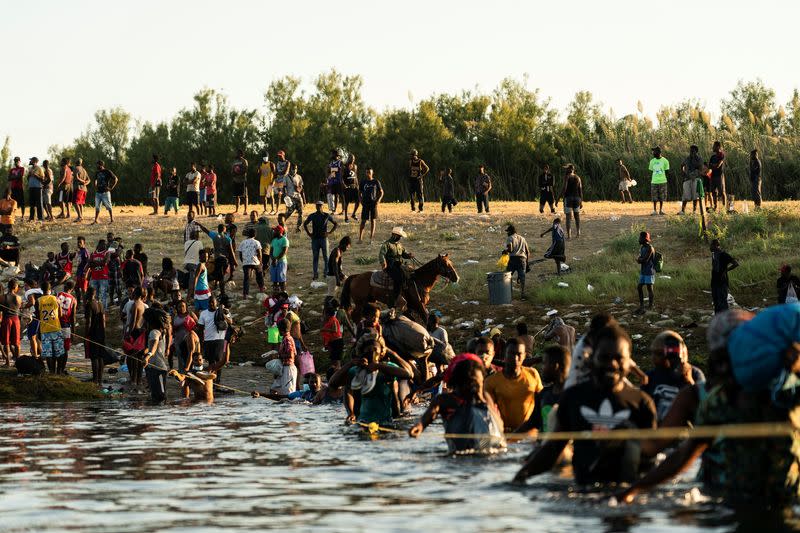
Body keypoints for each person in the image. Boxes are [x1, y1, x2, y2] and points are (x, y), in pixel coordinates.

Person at [617, 306, 800, 508]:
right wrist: (634, 489)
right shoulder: (716, 400)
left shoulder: (787, 392)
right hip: (731, 500)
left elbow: (679, 454)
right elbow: (682, 455)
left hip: (770, 500)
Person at [513, 324, 657, 485]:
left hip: (626, 496)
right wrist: (520, 477)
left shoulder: (642, 402)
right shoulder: (574, 397)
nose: (612, 364)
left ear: (629, 361)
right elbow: (553, 448)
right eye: (604, 358)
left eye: (619, 358)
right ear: (591, 359)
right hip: (583, 493)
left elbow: (650, 457)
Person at [409, 354, 506, 453]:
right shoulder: (445, 400)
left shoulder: (486, 399)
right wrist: (419, 427)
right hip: (458, 455)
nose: (472, 386)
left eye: (477, 383)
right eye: (468, 382)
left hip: (488, 454)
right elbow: (428, 416)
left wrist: (481, 398)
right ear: (457, 381)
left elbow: (500, 425)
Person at [330, 333, 414, 425]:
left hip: (386, 421)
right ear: (363, 353)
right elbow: (333, 383)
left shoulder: (388, 369)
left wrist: (390, 355)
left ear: (381, 352)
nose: (372, 353)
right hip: (363, 421)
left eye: (375, 349)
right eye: (368, 350)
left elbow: (408, 374)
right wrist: (350, 363)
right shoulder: (356, 371)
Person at [641, 330, 705, 422]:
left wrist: (689, 381)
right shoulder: (650, 376)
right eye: (653, 353)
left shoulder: (694, 373)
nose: (653, 358)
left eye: (659, 354)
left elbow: (703, 406)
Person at [484, 339, 543, 430]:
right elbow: (489, 410)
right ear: (505, 354)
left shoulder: (533, 374)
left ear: (524, 356)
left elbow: (541, 402)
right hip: (505, 435)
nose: (515, 358)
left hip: (530, 435)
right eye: (511, 353)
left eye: (519, 354)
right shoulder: (492, 381)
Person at [518, 345, 571, 433]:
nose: (542, 368)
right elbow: (532, 422)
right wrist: (508, 438)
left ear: (555, 366)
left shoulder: (573, 396)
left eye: (544, 363)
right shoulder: (544, 394)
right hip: (542, 445)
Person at [378, 227, 413, 309]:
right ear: (394, 235)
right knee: (399, 278)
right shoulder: (386, 244)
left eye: (400, 236)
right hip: (390, 266)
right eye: (399, 236)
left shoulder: (399, 245)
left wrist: (409, 255)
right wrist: (384, 263)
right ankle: (394, 299)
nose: (400, 238)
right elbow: (381, 254)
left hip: (399, 265)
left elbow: (404, 254)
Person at [197, 223, 236, 296]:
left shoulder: (214, 235)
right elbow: (231, 252)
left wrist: (199, 224)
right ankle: (221, 291)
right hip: (225, 260)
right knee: (221, 275)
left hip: (218, 259)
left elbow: (205, 230)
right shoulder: (228, 238)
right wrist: (234, 262)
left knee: (220, 276)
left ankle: (222, 292)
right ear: (224, 230)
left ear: (218, 230)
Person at [303, 201, 338, 281]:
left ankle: (326, 273)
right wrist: (309, 234)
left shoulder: (326, 215)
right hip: (315, 239)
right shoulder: (312, 215)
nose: (318, 207)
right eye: (317, 206)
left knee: (326, 257)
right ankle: (315, 274)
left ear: (323, 206)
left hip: (323, 239)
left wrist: (329, 232)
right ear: (315, 206)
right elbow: (305, 224)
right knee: (315, 257)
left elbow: (335, 224)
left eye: (320, 206)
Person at [142, 307, 169, 403]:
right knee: (155, 395)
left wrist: (148, 355)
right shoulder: (159, 331)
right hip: (152, 368)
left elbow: (154, 345)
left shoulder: (154, 332)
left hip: (158, 369)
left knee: (161, 396)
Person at [36, 281, 64, 374]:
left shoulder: (38, 301)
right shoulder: (55, 299)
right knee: (58, 352)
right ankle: (59, 372)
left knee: (48, 354)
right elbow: (60, 314)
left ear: (42, 290)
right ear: (50, 289)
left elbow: (38, 317)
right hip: (56, 328)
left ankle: (51, 372)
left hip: (45, 330)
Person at [83, 286, 107, 384]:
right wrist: (103, 332)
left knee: (94, 357)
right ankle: (100, 379)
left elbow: (88, 321)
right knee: (100, 356)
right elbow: (104, 320)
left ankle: (95, 379)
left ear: (88, 293)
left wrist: (85, 335)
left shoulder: (89, 304)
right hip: (101, 333)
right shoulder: (100, 304)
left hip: (93, 334)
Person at [710, 238, 738, 314]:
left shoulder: (723, 254)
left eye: (711, 245)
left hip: (722, 282)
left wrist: (726, 270)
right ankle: (718, 319)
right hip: (715, 282)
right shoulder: (714, 254)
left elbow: (735, 263)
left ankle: (724, 320)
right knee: (716, 302)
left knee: (722, 302)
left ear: (716, 246)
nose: (710, 247)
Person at [504, 224, 529, 299]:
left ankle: (508, 293)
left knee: (507, 276)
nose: (507, 233)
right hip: (522, 259)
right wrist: (527, 263)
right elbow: (528, 252)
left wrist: (505, 251)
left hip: (513, 259)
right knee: (522, 277)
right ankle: (523, 294)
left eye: (507, 231)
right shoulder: (522, 238)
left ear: (511, 231)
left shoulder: (510, 238)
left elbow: (510, 249)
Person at [358, 167, 383, 243]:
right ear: (365, 173)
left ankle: (371, 238)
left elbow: (381, 192)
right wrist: (360, 200)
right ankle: (360, 239)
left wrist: (378, 200)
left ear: (372, 173)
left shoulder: (376, 182)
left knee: (373, 220)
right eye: (367, 172)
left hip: (373, 203)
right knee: (363, 221)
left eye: (369, 172)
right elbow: (359, 193)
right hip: (365, 203)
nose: (368, 173)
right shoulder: (363, 182)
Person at [1, 279, 22, 366]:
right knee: (16, 342)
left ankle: (8, 362)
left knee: (6, 342)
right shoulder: (18, 298)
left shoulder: (2, 297)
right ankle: (17, 362)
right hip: (15, 320)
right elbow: (19, 307)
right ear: (15, 287)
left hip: (6, 319)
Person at [238, 227, 264, 298]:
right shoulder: (257, 242)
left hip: (246, 262)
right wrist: (260, 261)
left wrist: (243, 261)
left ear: (248, 234)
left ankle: (245, 294)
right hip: (255, 262)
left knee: (246, 278)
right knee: (259, 275)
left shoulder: (243, 242)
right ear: (255, 235)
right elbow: (259, 253)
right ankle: (261, 288)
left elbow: (240, 253)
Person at [635, 231, 656, 315]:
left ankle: (650, 305)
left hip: (649, 271)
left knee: (649, 289)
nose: (639, 239)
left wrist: (639, 260)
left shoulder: (650, 248)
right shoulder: (642, 247)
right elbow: (641, 258)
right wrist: (640, 259)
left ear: (645, 239)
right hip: (643, 271)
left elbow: (645, 260)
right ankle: (642, 305)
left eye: (640, 238)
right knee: (639, 287)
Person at [56, 280, 77, 359]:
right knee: (65, 348)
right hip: (66, 325)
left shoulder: (59, 294)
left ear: (64, 286)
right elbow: (73, 317)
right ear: (72, 289)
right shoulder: (73, 300)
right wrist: (73, 332)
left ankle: (55, 369)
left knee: (56, 346)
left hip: (56, 323)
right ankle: (62, 368)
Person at [92, 160, 118, 224]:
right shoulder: (97, 172)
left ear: (101, 165)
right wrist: (95, 186)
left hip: (105, 192)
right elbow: (95, 180)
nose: (96, 166)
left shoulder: (107, 171)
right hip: (98, 192)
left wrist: (111, 187)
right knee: (97, 207)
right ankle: (96, 220)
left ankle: (112, 219)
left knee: (109, 206)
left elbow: (116, 179)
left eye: (97, 165)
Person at [561, 164, 583, 238]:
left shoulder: (567, 177)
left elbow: (564, 188)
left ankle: (569, 235)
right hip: (577, 198)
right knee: (577, 216)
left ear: (570, 169)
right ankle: (578, 233)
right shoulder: (578, 178)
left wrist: (559, 198)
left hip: (568, 198)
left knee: (568, 217)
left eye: (566, 169)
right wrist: (581, 201)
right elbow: (580, 190)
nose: (565, 170)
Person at [321, 302, 344, 369]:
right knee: (333, 360)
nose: (324, 315)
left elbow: (335, 330)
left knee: (337, 360)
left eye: (325, 313)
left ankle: (338, 373)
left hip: (337, 342)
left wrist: (325, 329)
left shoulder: (333, 319)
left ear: (328, 314)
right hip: (332, 342)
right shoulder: (329, 320)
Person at [679, 145, 702, 214]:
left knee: (695, 196)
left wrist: (695, 174)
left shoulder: (699, 159)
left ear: (696, 151)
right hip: (687, 178)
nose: (691, 151)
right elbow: (682, 165)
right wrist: (683, 172)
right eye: (690, 150)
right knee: (685, 195)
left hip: (695, 178)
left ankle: (694, 211)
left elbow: (700, 168)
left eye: (693, 150)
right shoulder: (687, 158)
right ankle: (682, 210)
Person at [88, 239, 110, 309]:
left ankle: (104, 309)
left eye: (105, 244)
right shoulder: (93, 253)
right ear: (99, 244)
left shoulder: (107, 253)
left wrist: (95, 263)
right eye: (103, 244)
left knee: (103, 294)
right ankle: (96, 309)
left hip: (103, 276)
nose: (105, 245)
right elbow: (90, 264)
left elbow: (105, 263)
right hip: (94, 277)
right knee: (95, 295)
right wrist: (100, 263)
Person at [648, 146, 669, 216]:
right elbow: (651, 171)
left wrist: (665, 180)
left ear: (659, 152)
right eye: (653, 152)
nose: (653, 153)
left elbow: (667, 172)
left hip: (663, 181)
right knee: (654, 197)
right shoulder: (652, 161)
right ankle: (654, 210)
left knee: (662, 197)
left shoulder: (665, 161)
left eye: (654, 151)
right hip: (654, 182)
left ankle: (661, 210)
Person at [269, 224, 290, 292]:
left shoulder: (284, 240)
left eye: (275, 231)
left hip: (281, 261)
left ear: (280, 231)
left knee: (281, 279)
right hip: (274, 261)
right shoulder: (274, 240)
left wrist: (276, 259)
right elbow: (271, 251)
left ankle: (283, 292)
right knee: (274, 279)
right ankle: (276, 292)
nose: (274, 232)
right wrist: (273, 259)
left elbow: (284, 251)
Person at [709, 140, 726, 211]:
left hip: (719, 176)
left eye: (714, 146)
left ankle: (724, 207)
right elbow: (710, 166)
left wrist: (713, 165)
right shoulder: (712, 157)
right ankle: (715, 207)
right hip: (713, 176)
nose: (713, 147)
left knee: (722, 192)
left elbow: (718, 165)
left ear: (718, 147)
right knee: (713, 192)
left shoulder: (721, 155)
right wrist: (713, 165)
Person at [342, 153, 359, 222]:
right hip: (347, 187)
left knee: (358, 201)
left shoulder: (355, 166)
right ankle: (346, 217)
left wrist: (357, 185)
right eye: (351, 158)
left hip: (355, 187)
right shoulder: (344, 167)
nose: (352, 160)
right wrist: (344, 186)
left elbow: (356, 177)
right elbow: (341, 178)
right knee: (347, 203)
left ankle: (353, 214)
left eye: (354, 159)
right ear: (348, 159)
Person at [26, 156, 44, 221]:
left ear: (35, 162)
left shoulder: (39, 168)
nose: (30, 161)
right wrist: (29, 175)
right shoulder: (30, 168)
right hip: (31, 187)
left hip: (38, 188)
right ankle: (31, 218)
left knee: (39, 203)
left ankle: (40, 218)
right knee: (32, 204)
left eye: (31, 160)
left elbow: (42, 179)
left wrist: (36, 175)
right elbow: (27, 178)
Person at [231, 149, 249, 213]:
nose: (236, 154)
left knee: (244, 196)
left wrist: (238, 172)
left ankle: (245, 210)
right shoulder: (234, 161)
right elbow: (232, 170)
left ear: (241, 154)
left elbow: (245, 170)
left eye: (238, 153)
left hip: (242, 180)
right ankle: (236, 210)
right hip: (236, 180)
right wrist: (233, 173)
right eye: (236, 153)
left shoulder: (244, 161)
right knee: (236, 196)